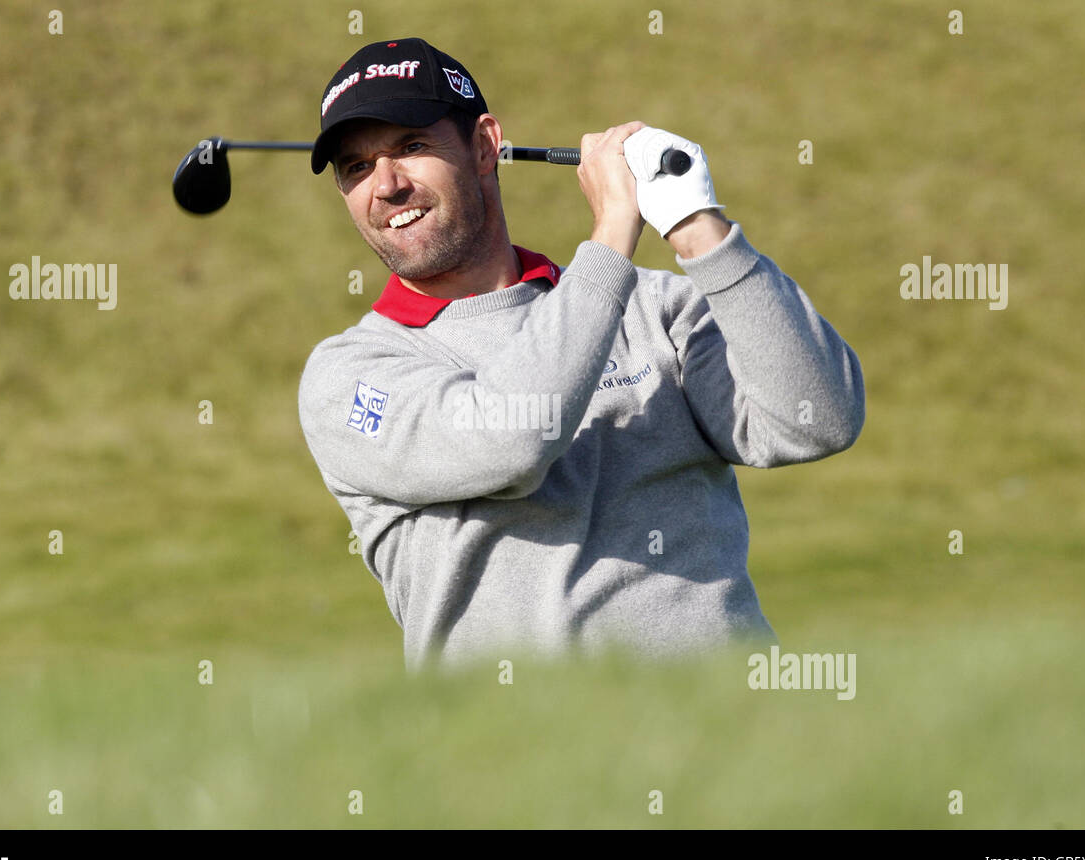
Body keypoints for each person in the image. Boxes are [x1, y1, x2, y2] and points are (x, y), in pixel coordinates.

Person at [298, 37, 865, 671]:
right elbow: (511, 441)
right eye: (356, 167)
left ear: (485, 145)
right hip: (517, 757)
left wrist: (699, 227)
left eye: (411, 147)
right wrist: (614, 231)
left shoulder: (657, 306)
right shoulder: (348, 377)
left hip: (733, 732)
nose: (387, 186)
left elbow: (818, 422)